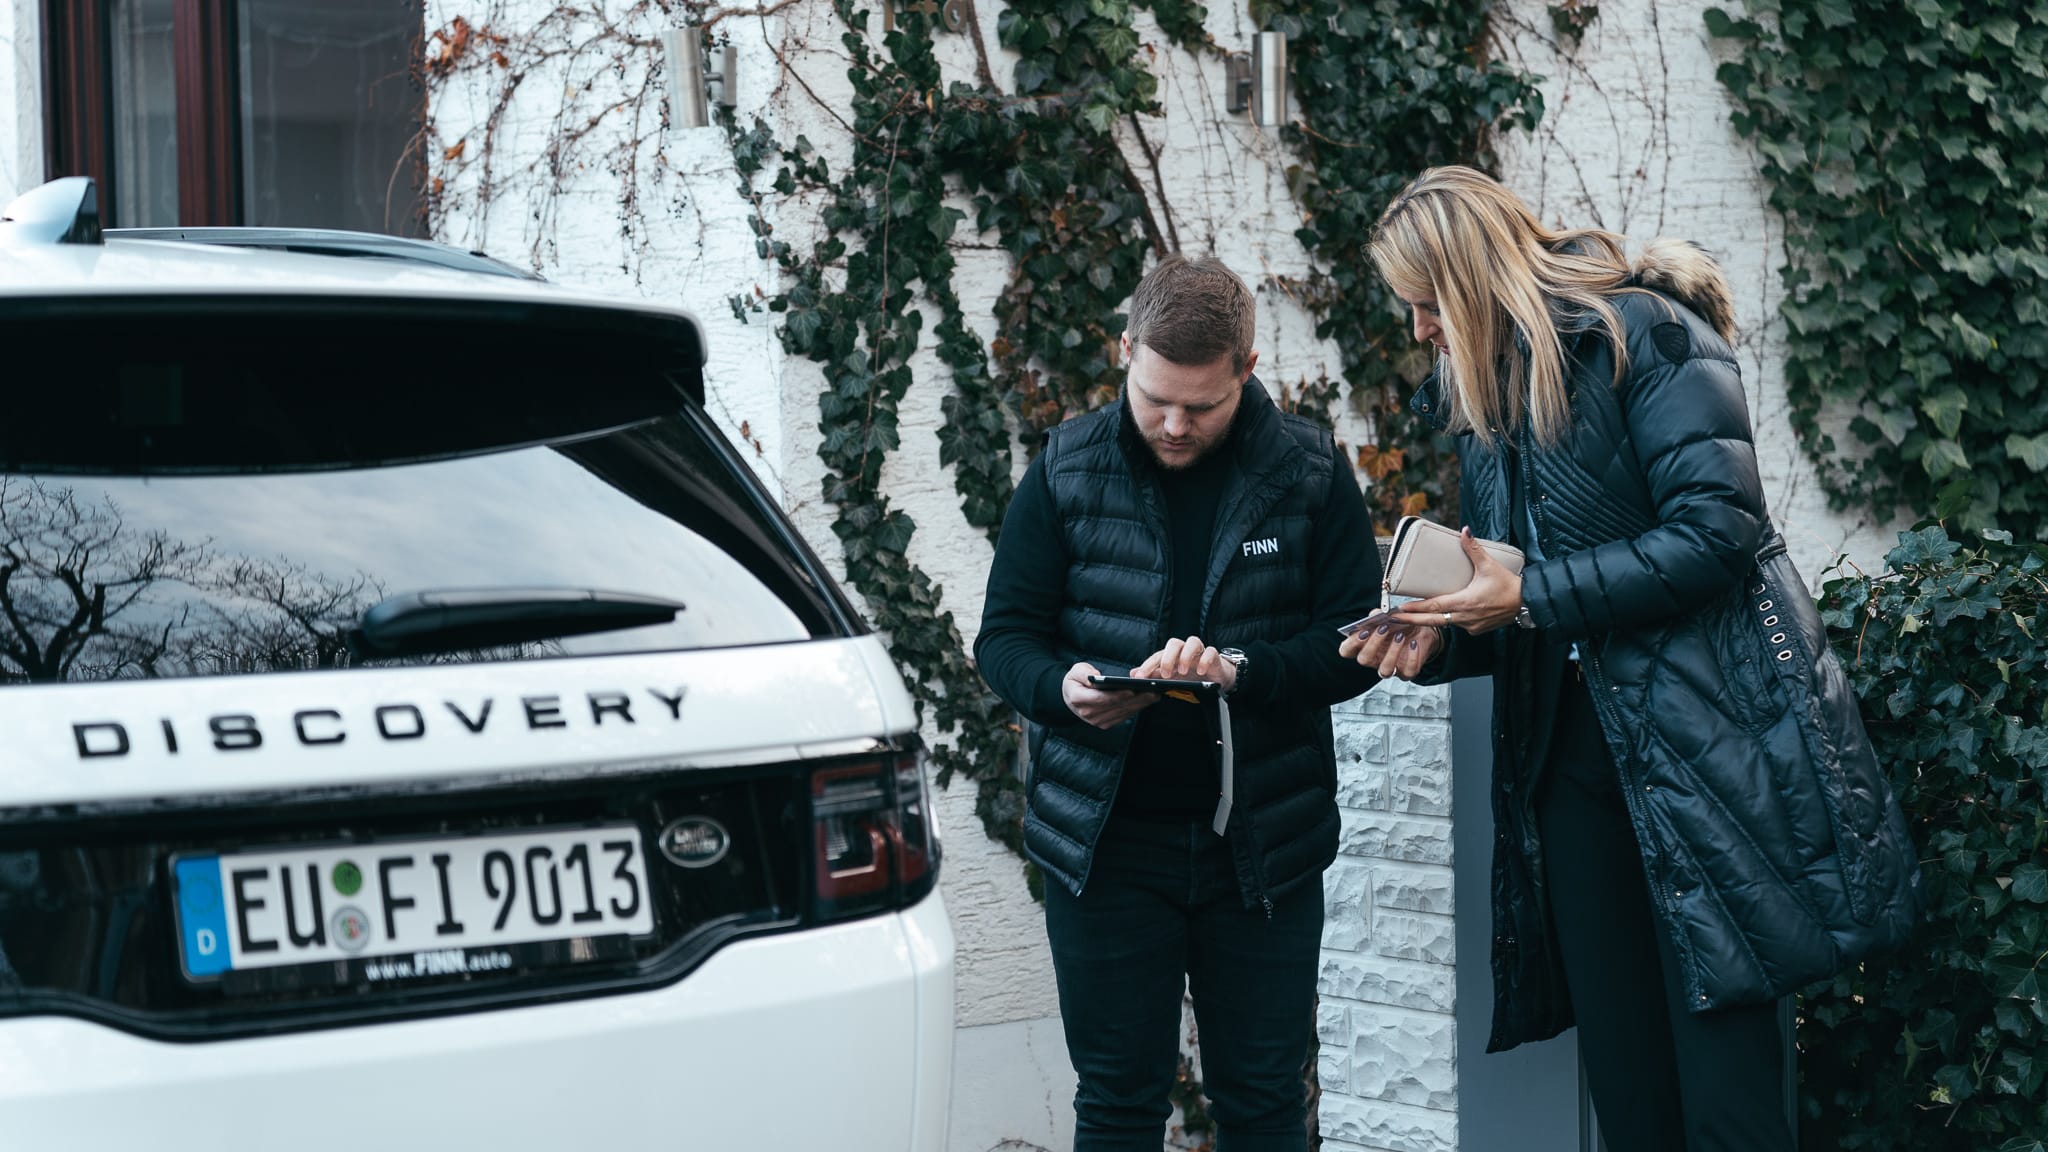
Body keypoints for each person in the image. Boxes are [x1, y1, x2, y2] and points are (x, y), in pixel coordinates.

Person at [1341, 166, 1921, 1151]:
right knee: (1628, 1096)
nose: (1420, 333)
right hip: (1572, 776)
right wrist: (1439, 635)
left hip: (1707, 766)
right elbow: (1529, 602)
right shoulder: (1490, 401)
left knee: (1729, 1106)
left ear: (1472, 280)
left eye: (1424, 304)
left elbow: (1716, 535)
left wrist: (1523, 594)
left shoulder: (1643, 335)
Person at [975, 254, 1381, 1152]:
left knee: (1266, 1104)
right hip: (1107, 849)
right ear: (1125, 351)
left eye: (1201, 405)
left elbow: (1356, 645)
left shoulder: (1310, 472)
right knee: (1119, 1104)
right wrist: (1064, 691)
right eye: (1155, 395)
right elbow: (1003, 640)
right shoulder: (1067, 466)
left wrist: (1242, 671)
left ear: (1247, 367)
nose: (1172, 422)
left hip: (1265, 847)